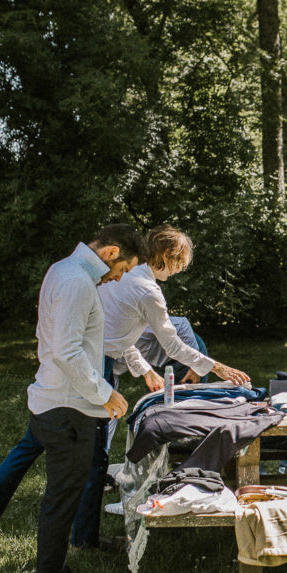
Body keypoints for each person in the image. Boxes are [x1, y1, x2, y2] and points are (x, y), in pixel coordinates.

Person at [0, 224, 145, 573]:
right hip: (67, 407)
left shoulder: (64, 270)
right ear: (111, 253)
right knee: (61, 500)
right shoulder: (77, 282)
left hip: (61, 399)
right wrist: (106, 393)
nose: (118, 278)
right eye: (122, 269)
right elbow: (67, 351)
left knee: (63, 497)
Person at [72, 225, 250, 549]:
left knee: (92, 452)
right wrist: (218, 367)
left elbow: (116, 333)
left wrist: (144, 371)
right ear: (167, 256)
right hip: (96, 368)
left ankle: (83, 534)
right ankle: (83, 539)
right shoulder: (147, 290)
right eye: (180, 261)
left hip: (96, 360)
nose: (181, 268)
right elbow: (174, 346)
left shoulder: (124, 275)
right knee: (95, 454)